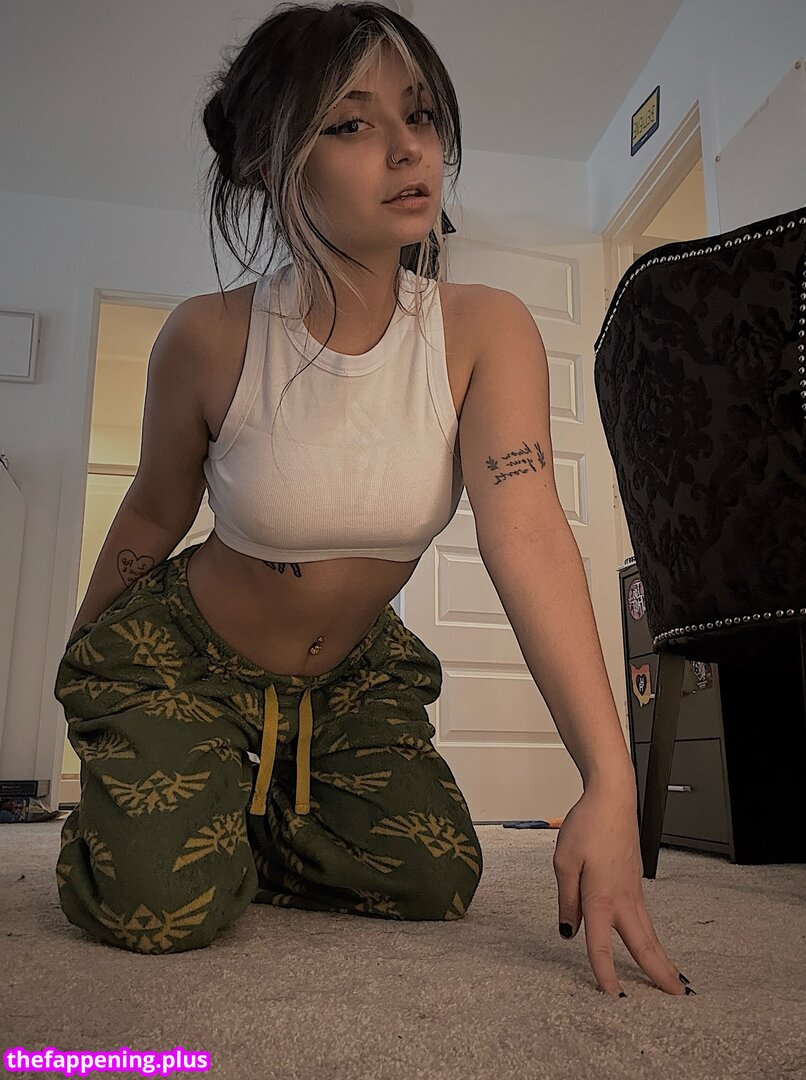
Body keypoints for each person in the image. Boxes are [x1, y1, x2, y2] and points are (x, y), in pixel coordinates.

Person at [54, 1, 692, 998]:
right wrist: (88, 666)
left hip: (349, 680)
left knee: (435, 876)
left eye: (420, 114)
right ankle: (168, 803)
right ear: (274, 163)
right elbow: (151, 511)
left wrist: (607, 779)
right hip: (188, 660)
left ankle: (251, 809)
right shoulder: (208, 338)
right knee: (161, 906)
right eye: (352, 123)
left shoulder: (485, 330)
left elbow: (527, 532)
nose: (407, 148)